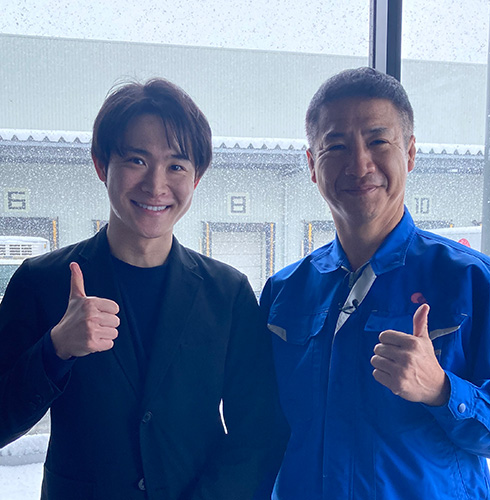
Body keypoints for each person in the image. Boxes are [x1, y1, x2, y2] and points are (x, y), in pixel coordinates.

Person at [0, 78, 287, 499]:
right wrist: (55, 349)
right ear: (102, 165)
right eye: (136, 160)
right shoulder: (41, 281)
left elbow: (259, 432)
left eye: (176, 166)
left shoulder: (228, 294)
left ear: (197, 177)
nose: (156, 185)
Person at [260, 67, 490, 499]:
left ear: (409, 153)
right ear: (312, 165)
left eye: (377, 142)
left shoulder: (473, 281)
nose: (359, 164)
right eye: (336, 146)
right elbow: (259, 432)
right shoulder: (284, 292)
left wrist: (442, 390)